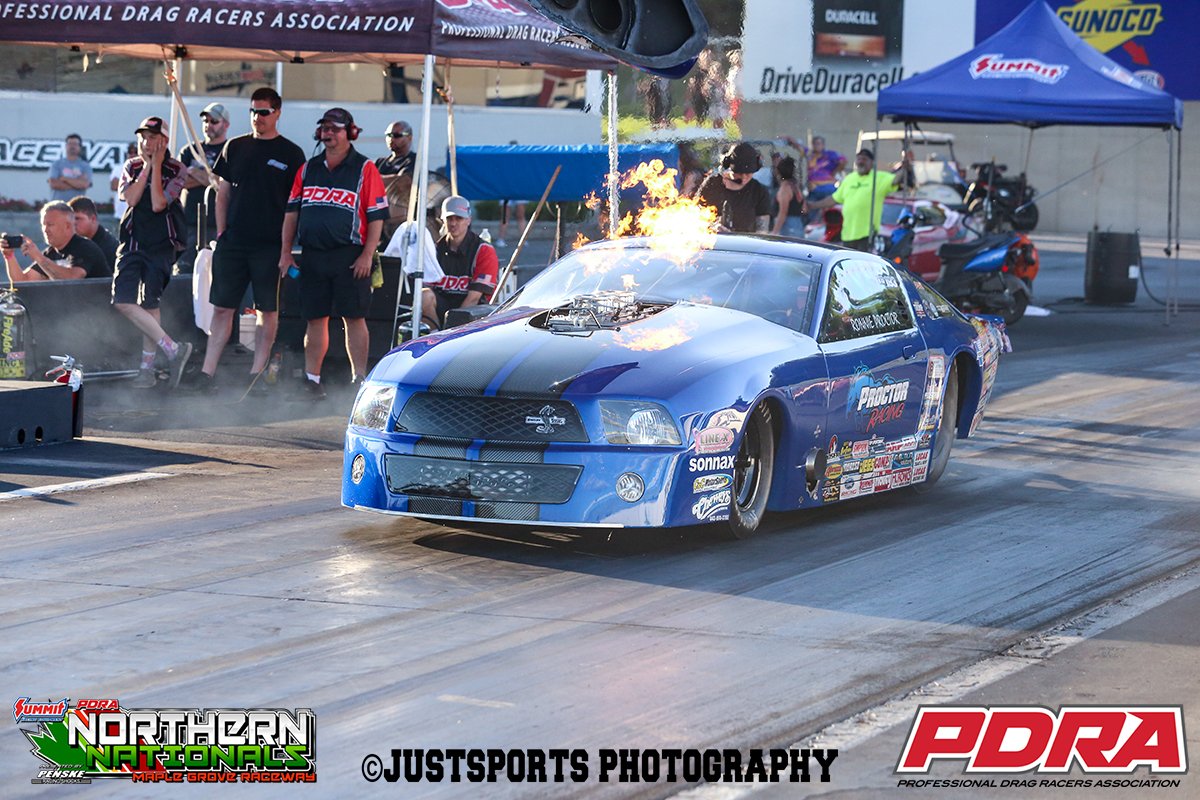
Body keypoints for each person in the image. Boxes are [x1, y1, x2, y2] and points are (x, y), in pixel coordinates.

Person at [197, 88, 306, 394]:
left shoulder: (291, 153)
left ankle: (257, 372)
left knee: (266, 310)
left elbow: (293, 206)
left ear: (278, 113)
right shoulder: (235, 146)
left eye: (264, 112)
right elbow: (223, 192)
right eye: (253, 112)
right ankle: (207, 371)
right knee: (221, 307)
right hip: (233, 241)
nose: (258, 118)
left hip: (270, 244)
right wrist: (221, 232)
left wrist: (286, 249)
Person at [281, 107, 388, 399]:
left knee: (353, 317)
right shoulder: (308, 168)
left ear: (350, 133)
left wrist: (368, 254)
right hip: (314, 254)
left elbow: (376, 216)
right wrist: (286, 252)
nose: (328, 133)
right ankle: (312, 380)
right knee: (315, 318)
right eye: (325, 128)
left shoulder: (365, 168)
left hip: (350, 255)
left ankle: (359, 380)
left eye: (335, 128)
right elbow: (292, 213)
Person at [111, 116, 193, 389]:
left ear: (165, 141)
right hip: (133, 241)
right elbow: (131, 199)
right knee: (123, 300)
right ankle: (173, 349)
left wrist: (157, 167)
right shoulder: (131, 165)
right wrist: (146, 166)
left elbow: (159, 203)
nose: (147, 142)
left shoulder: (177, 168)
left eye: (153, 137)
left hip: (161, 244)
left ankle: (146, 369)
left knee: (150, 304)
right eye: (143, 137)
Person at [424, 195, 498, 330]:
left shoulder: (484, 250)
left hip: (473, 314)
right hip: (441, 308)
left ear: (468, 220)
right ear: (443, 220)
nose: (453, 223)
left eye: (459, 218)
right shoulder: (435, 249)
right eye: (449, 218)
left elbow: (474, 298)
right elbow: (426, 289)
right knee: (423, 295)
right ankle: (433, 338)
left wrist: (451, 328)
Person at [808, 148, 905, 252]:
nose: (861, 162)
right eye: (859, 159)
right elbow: (834, 199)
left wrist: (905, 167)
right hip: (848, 235)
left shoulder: (879, 177)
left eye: (864, 159)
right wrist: (812, 205)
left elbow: (895, 180)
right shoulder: (849, 179)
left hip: (867, 234)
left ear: (872, 163)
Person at [176, 102, 230, 274]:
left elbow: (223, 183)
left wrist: (194, 172)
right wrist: (208, 177)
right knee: (184, 269)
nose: (208, 125)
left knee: (216, 271)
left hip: (218, 223)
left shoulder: (229, 150)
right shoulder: (189, 150)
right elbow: (179, 182)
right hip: (189, 222)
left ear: (225, 124)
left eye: (214, 121)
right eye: (206, 121)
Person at [2, 201, 109, 282]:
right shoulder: (51, 252)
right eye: (43, 224)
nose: (45, 229)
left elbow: (73, 279)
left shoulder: (85, 247)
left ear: (67, 226)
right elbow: (23, 281)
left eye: (50, 225)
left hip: (98, 308)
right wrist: (9, 256)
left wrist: (39, 257)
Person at [692, 142, 771, 233]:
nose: (744, 177)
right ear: (728, 166)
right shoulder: (712, 184)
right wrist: (712, 226)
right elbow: (695, 216)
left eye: (748, 173)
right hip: (712, 242)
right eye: (739, 173)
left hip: (744, 245)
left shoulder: (759, 191)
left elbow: (762, 230)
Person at [375, 120, 415, 244]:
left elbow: (403, 182)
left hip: (400, 223)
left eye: (396, 135)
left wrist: (375, 179)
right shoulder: (380, 162)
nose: (391, 139)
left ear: (409, 137)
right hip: (377, 218)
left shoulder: (414, 160)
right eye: (388, 135)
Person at [67, 195, 118, 271]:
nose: (73, 223)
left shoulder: (110, 248)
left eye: (77, 218)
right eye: (70, 219)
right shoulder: (69, 241)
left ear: (93, 219)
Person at [47, 133, 93, 202]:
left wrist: (64, 179)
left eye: (75, 144)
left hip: (77, 208)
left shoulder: (85, 166)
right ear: (66, 146)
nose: (72, 146)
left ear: (80, 147)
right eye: (70, 144)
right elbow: (53, 184)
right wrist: (77, 183)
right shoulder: (56, 164)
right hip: (58, 207)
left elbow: (85, 184)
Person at [771, 157, 806, 238]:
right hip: (798, 226)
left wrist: (774, 232)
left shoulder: (785, 189)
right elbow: (804, 208)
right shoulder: (795, 186)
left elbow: (783, 212)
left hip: (787, 229)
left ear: (778, 172)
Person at [111, 142, 136, 221]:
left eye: (135, 152)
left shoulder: (147, 168)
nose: (132, 155)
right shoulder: (119, 168)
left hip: (138, 215)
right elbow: (114, 186)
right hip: (120, 215)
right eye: (130, 152)